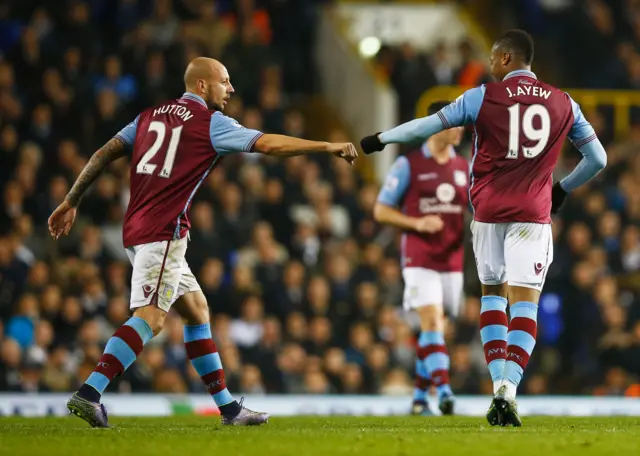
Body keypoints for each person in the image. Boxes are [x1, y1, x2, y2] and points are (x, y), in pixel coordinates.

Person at [48, 57, 358, 428]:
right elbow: (269, 144)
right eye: (224, 82)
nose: (231, 90)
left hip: (140, 228)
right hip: (162, 233)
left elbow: (103, 153)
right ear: (201, 86)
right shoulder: (211, 124)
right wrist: (325, 146)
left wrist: (71, 200)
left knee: (196, 309)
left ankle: (229, 409)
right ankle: (89, 393)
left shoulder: (148, 116)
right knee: (151, 317)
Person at [360, 30, 606, 427]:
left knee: (493, 297)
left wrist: (380, 139)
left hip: (488, 215)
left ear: (507, 58)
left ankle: (497, 389)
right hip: (532, 216)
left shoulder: (481, 97)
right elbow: (598, 158)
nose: (491, 65)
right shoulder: (565, 102)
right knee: (525, 304)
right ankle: (509, 389)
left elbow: (425, 127)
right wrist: (562, 189)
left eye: (493, 58)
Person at [374, 101, 468, 416]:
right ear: (438, 125)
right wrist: (417, 223)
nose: (461, 128)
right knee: (431, 323)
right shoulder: (408, 165)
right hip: (419, 259)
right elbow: (381, 209)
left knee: (436, 330)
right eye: (456, 122)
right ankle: (444, 392)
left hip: (453, 261)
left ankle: (417, 399)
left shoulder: (463, 168)